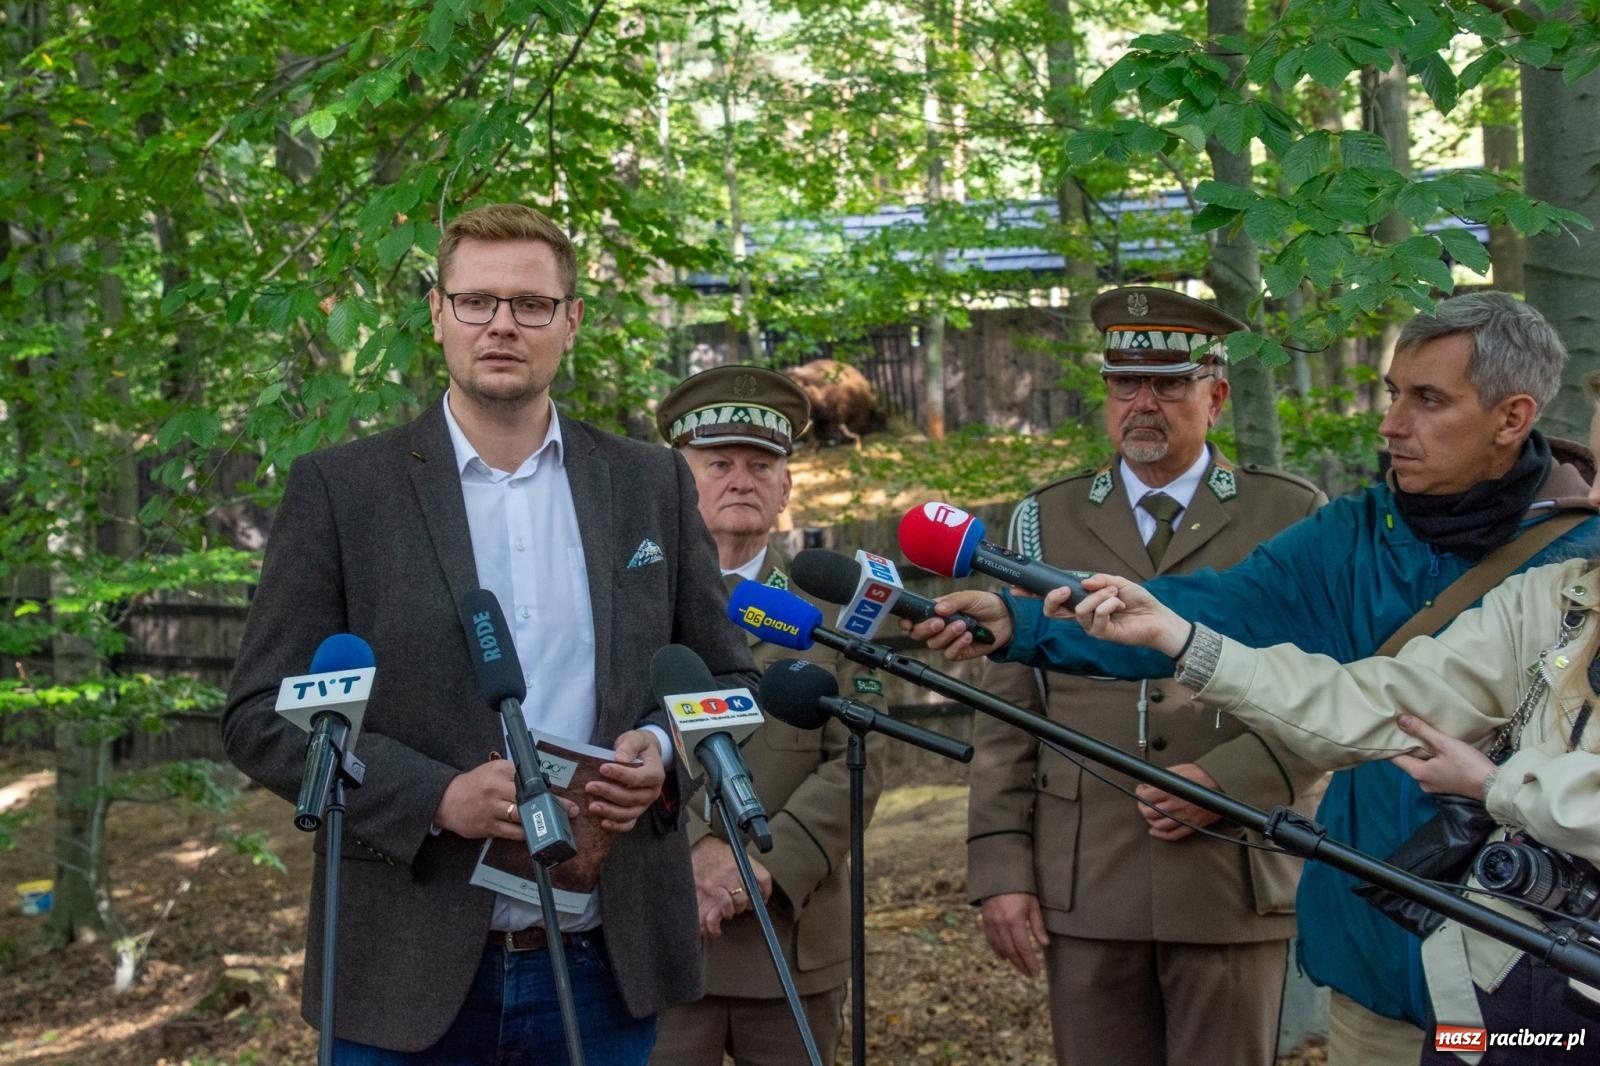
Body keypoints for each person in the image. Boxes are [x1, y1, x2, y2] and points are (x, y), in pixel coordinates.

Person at [911, 291, 1600, 1062]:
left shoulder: (1574, 563)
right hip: (1377, 958)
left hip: (1539, 973)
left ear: (1512, 418)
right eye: (1392, 395)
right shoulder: (1351, 533)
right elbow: (1223, 610)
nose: (1391, 425)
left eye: (1427, 401)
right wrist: (1028, 623)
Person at [222, 203, 755, 1063]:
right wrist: (434, 798)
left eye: (531, 304)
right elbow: (260, 714)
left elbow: (729, 683)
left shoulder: (647, 483)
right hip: (402, 966)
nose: (502, 324)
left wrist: (663, 750)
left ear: (571, 320)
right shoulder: (342, 491)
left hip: (604, 959)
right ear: (437, 313)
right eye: (476, 301)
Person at [1059, 375, 1600, 1060]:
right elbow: (1372, 702)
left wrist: (1500, 788)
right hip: (1509, 1013)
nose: (1598, 498)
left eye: (1428, 399)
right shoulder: (1559, 596)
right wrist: (1182, 639)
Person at [966, 286, 1326, 1065]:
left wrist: (1232, 783)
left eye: (1168, 384)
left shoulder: (1290, 516)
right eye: (1125, 384)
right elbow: (1005, 715)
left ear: (1217, 396)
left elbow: (1326, 695)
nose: (1144, 404)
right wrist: (1000, 864)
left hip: (1233, 867)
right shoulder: (1043, 520)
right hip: (1087, 869)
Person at [649, 364, 883, 1066]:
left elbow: (859, 764)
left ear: (787, 487)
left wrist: (760, 865)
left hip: (791, 935)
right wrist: (695, 851)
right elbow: (600, 744)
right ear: (678, 479)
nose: (741, 479)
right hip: (663, 938)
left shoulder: (839, 617)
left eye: (761, 464)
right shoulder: (625, 609)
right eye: (718, 462)